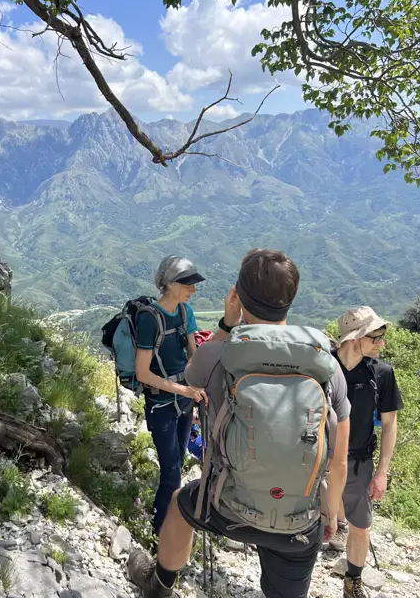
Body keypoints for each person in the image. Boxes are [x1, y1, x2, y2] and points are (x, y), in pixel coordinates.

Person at [129, 249, 351, 598]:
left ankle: (160, 585)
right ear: (291, 298)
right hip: (300, 518)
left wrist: (228, 322)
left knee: (179, 505)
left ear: (238, 295)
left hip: (227, 507)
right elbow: (339, 458)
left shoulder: (219, 355)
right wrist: (332, 513)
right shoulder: (327, 366)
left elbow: (194, 372)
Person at [327, 306, 403, 598]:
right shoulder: (324, 368)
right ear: (354, 339)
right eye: (376, 336)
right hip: (317, 461)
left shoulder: (381, 374)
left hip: (358, 463)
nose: (382, 342)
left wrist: (382, 472)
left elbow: (389, 425)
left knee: (360, 526)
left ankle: (352, 582)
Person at [135, 256, 207, 540]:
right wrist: (184, 390)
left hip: (185, 403)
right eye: (187, 283)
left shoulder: (186, 312)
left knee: (177, 463)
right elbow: (142, 372)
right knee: (172, 471)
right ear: (168, 284)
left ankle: (165, 528)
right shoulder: (149, 319)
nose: (193, 289)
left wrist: (199, 388)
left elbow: (193, 357)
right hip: (161, 406)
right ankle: (159, 533)